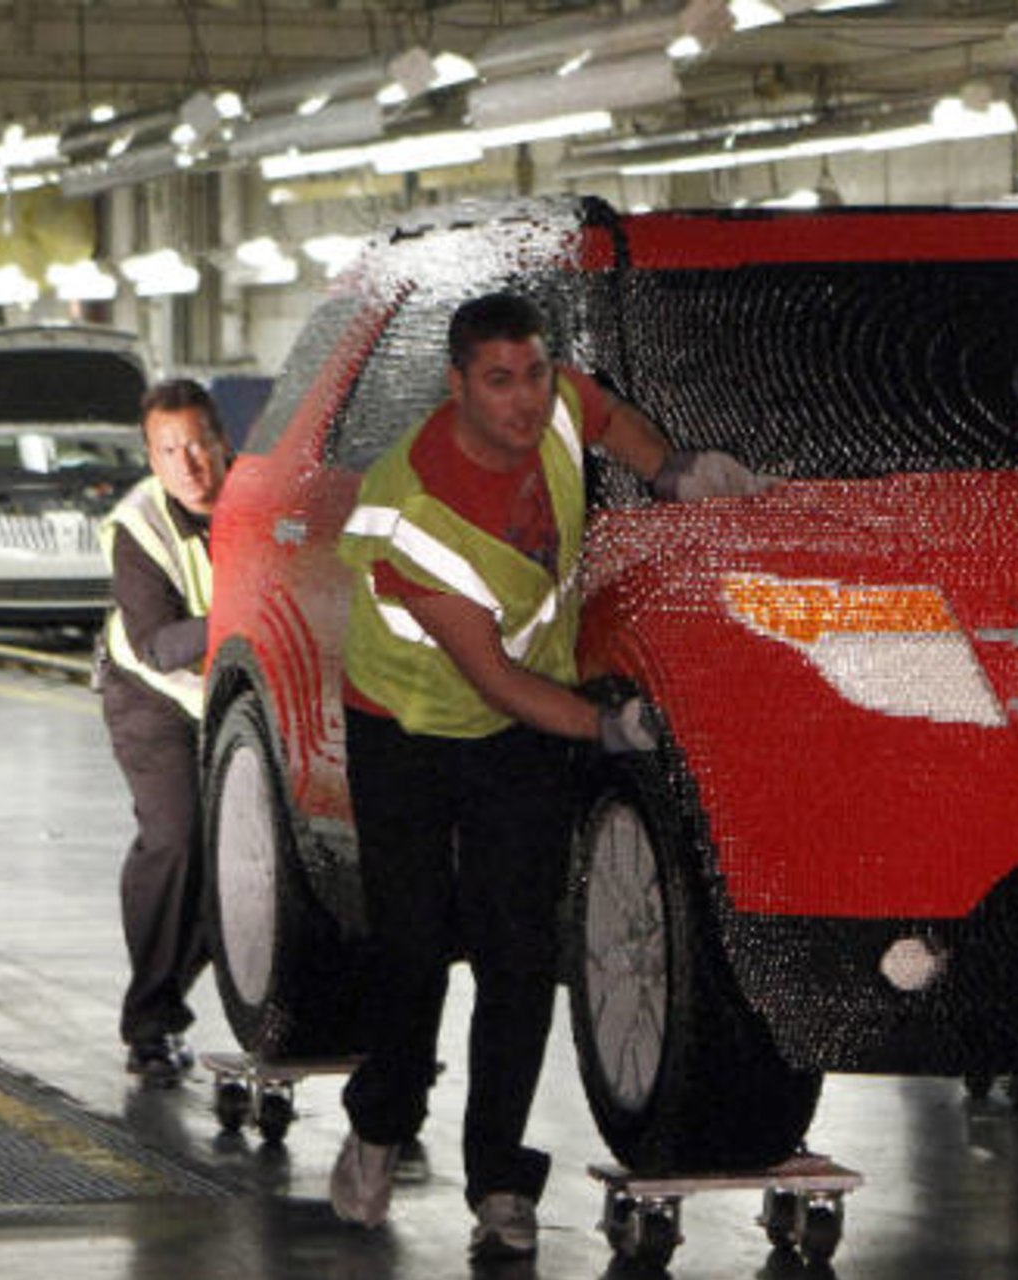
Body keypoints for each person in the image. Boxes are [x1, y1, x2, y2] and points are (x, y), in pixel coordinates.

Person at [327, 292, 767, 1257]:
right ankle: (380, 1122)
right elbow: (494, 679)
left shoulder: (558, 397)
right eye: (499, 381)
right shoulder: (420, 511)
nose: (526, 401)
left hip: (517, 733)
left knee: (518, 955)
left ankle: (499, 1182)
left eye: (532, 373)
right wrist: (610, 726)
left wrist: (669, 467)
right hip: (407, 724)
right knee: (412, 951)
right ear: (457, 387)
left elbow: (604, 414)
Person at [99, 379, 229, 1087]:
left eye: (199, 443)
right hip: (151, 698)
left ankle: (168, 989)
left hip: (232, 697)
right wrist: (243, 613)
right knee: (177, 838)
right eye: (168, 449)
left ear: (222, 440)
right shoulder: (138, 527)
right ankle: (149, 1020)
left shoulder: (255, 500)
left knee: (239, 851)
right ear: (151, 456)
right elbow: (156, 646)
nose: (189, 464)